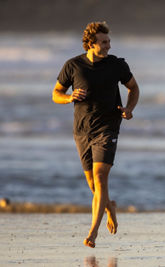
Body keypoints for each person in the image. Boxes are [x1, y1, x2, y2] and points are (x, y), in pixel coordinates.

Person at [52, 21, 139, 248]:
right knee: (93, 185)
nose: (109, 46)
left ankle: (92, 233)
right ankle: (110, 207)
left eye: (109, 41)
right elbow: (56, 93)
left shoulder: (117, 65)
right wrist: (69, 98)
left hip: (107, 128)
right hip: (81, 130)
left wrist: (129, 109)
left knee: (101, 178)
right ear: (91, 44)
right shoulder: (73, 66)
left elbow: (134, 88)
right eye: (104, 42)